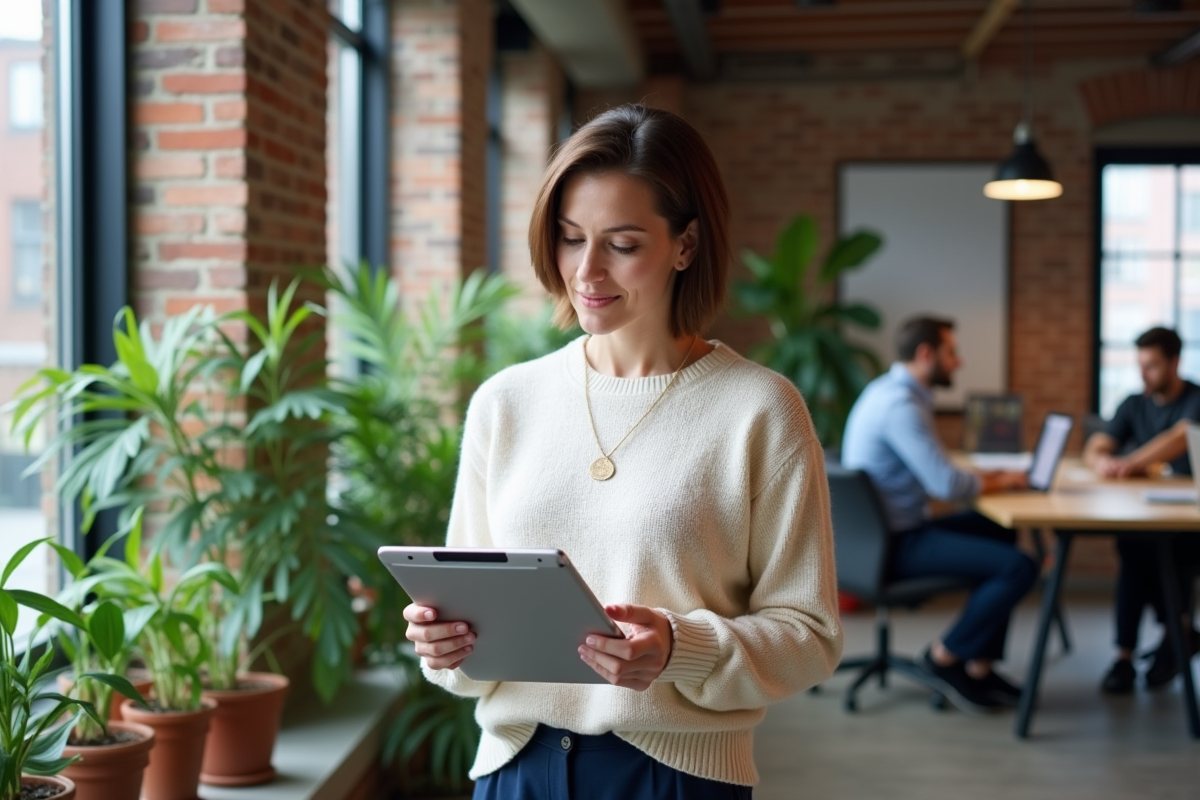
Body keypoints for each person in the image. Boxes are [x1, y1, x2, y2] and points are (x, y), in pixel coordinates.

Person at [402, 104, 842, 800]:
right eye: (570, 238)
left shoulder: (760, 409)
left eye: (623, 244)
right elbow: (466, 625)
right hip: (516, 768)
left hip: (675, 775)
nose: (587, 270)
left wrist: (678, 649)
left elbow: (810, 636)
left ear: (685, 245)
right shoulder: (505, 402)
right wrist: (445, 648)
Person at [841, 316, 1038, 714]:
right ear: (926, 354)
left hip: (874, 541)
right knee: (1019, 567)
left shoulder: (886, 391)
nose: (958, 362)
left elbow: (941, 472)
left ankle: (979, 669)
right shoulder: (901, 406)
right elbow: (945, 485)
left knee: (997, 531)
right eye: (952, 353)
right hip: (893, 547)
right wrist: (1003, 480)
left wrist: (994, 477)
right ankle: (944, 656)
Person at [1082, 326, 1200, 694]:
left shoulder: (1195, 398)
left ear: (1174, 362)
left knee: (1168, 551)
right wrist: (1103, 461)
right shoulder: (1134, 403)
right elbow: (1097, 443)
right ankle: (1133, 652)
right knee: (1133, 548)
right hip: (1147, 513)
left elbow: (1179, 437)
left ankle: (1172, 637)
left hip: (1189, 522)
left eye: (1151, 366)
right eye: (1140, 365)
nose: (1143, 374)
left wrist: (1130, 462)